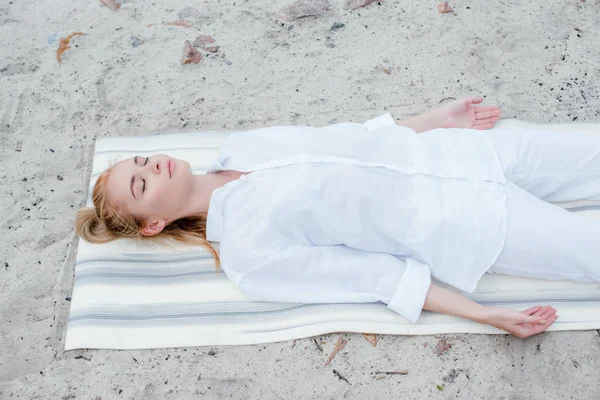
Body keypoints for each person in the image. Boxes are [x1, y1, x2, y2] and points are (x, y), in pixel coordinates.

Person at [75, 97, 600, 339]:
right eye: (142, 185)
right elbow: (375, 277)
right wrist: (484, 315)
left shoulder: (241, 145)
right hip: (472, 223)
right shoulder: (250, 256)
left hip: (459, 153)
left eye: (141, 162)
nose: (153, 166)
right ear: (152, 225)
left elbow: (346, 137)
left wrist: (433, 120)